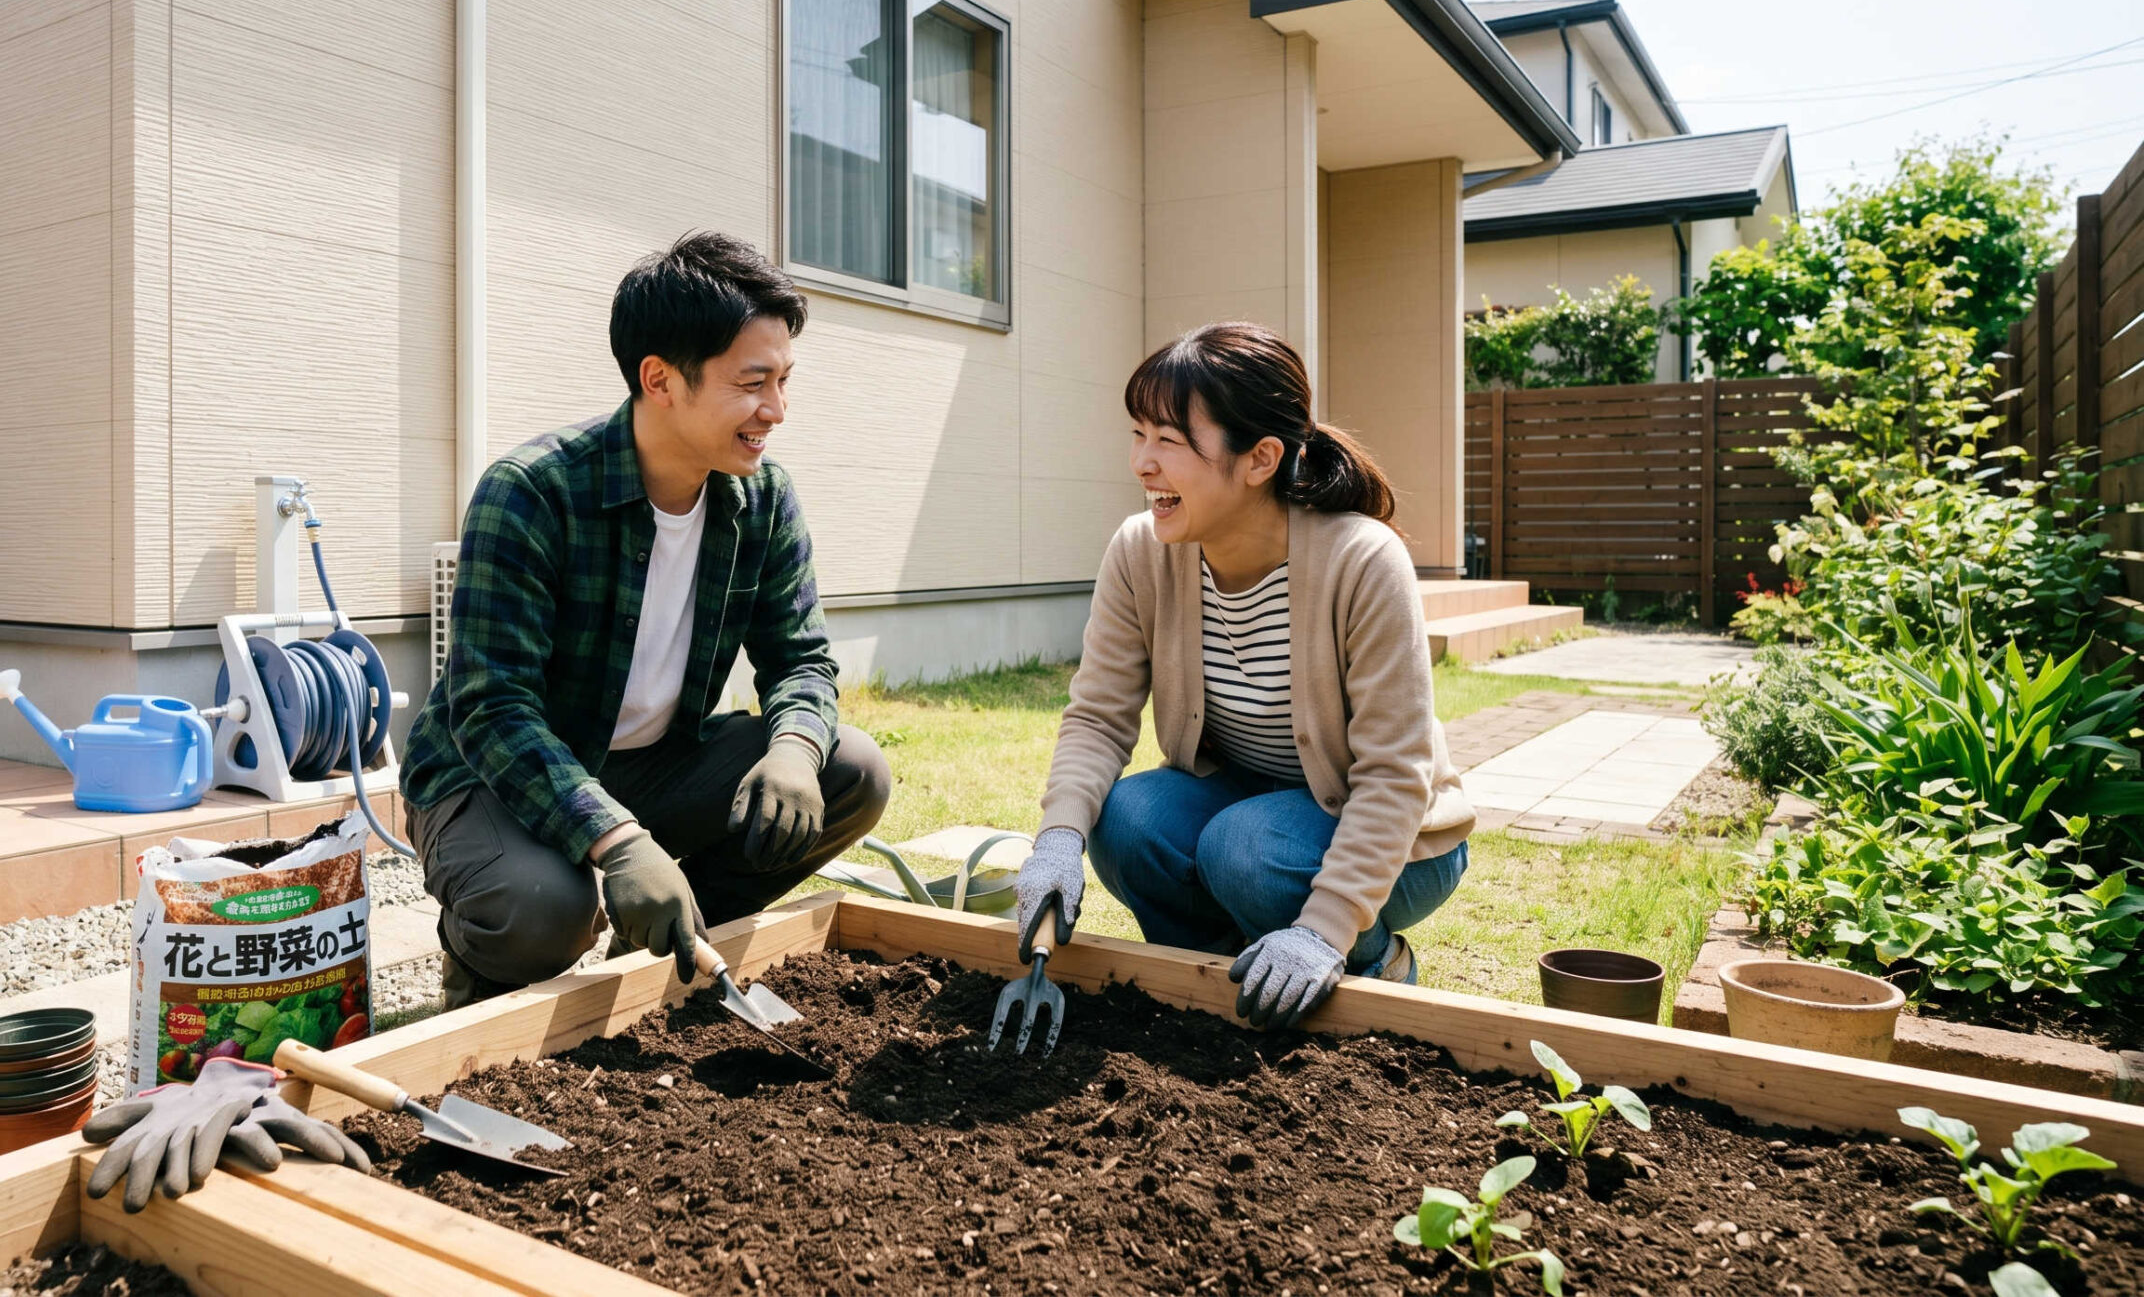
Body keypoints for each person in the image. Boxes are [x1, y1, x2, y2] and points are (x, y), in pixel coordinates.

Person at [401, 231, 892, 1011]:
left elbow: (801, 659)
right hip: (492, 773)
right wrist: (620, 840)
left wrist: (796, 748)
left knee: (852, 771)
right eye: (753, 383)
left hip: (653, 762)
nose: (776, 410)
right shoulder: (532, 493)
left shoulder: (762, 500)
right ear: (659, 379)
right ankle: (481, 979)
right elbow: (492, 710)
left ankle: (668, 944)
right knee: (543, 908)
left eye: (783, 380)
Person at [1013, 321, 1474, 1030]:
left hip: (1398, 837)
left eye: (1169, 441)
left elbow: (1394, 774)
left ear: (1260, 459)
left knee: (1244, 848)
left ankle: (1374, 966)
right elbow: (1099, 718)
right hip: (1246, 802)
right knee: (1127, 819)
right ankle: (1224, 986)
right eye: (1138, 434)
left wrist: (1323, 928)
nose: (1141, 463)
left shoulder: (1362, 561)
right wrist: (1056, 840)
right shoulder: (1141, 551)